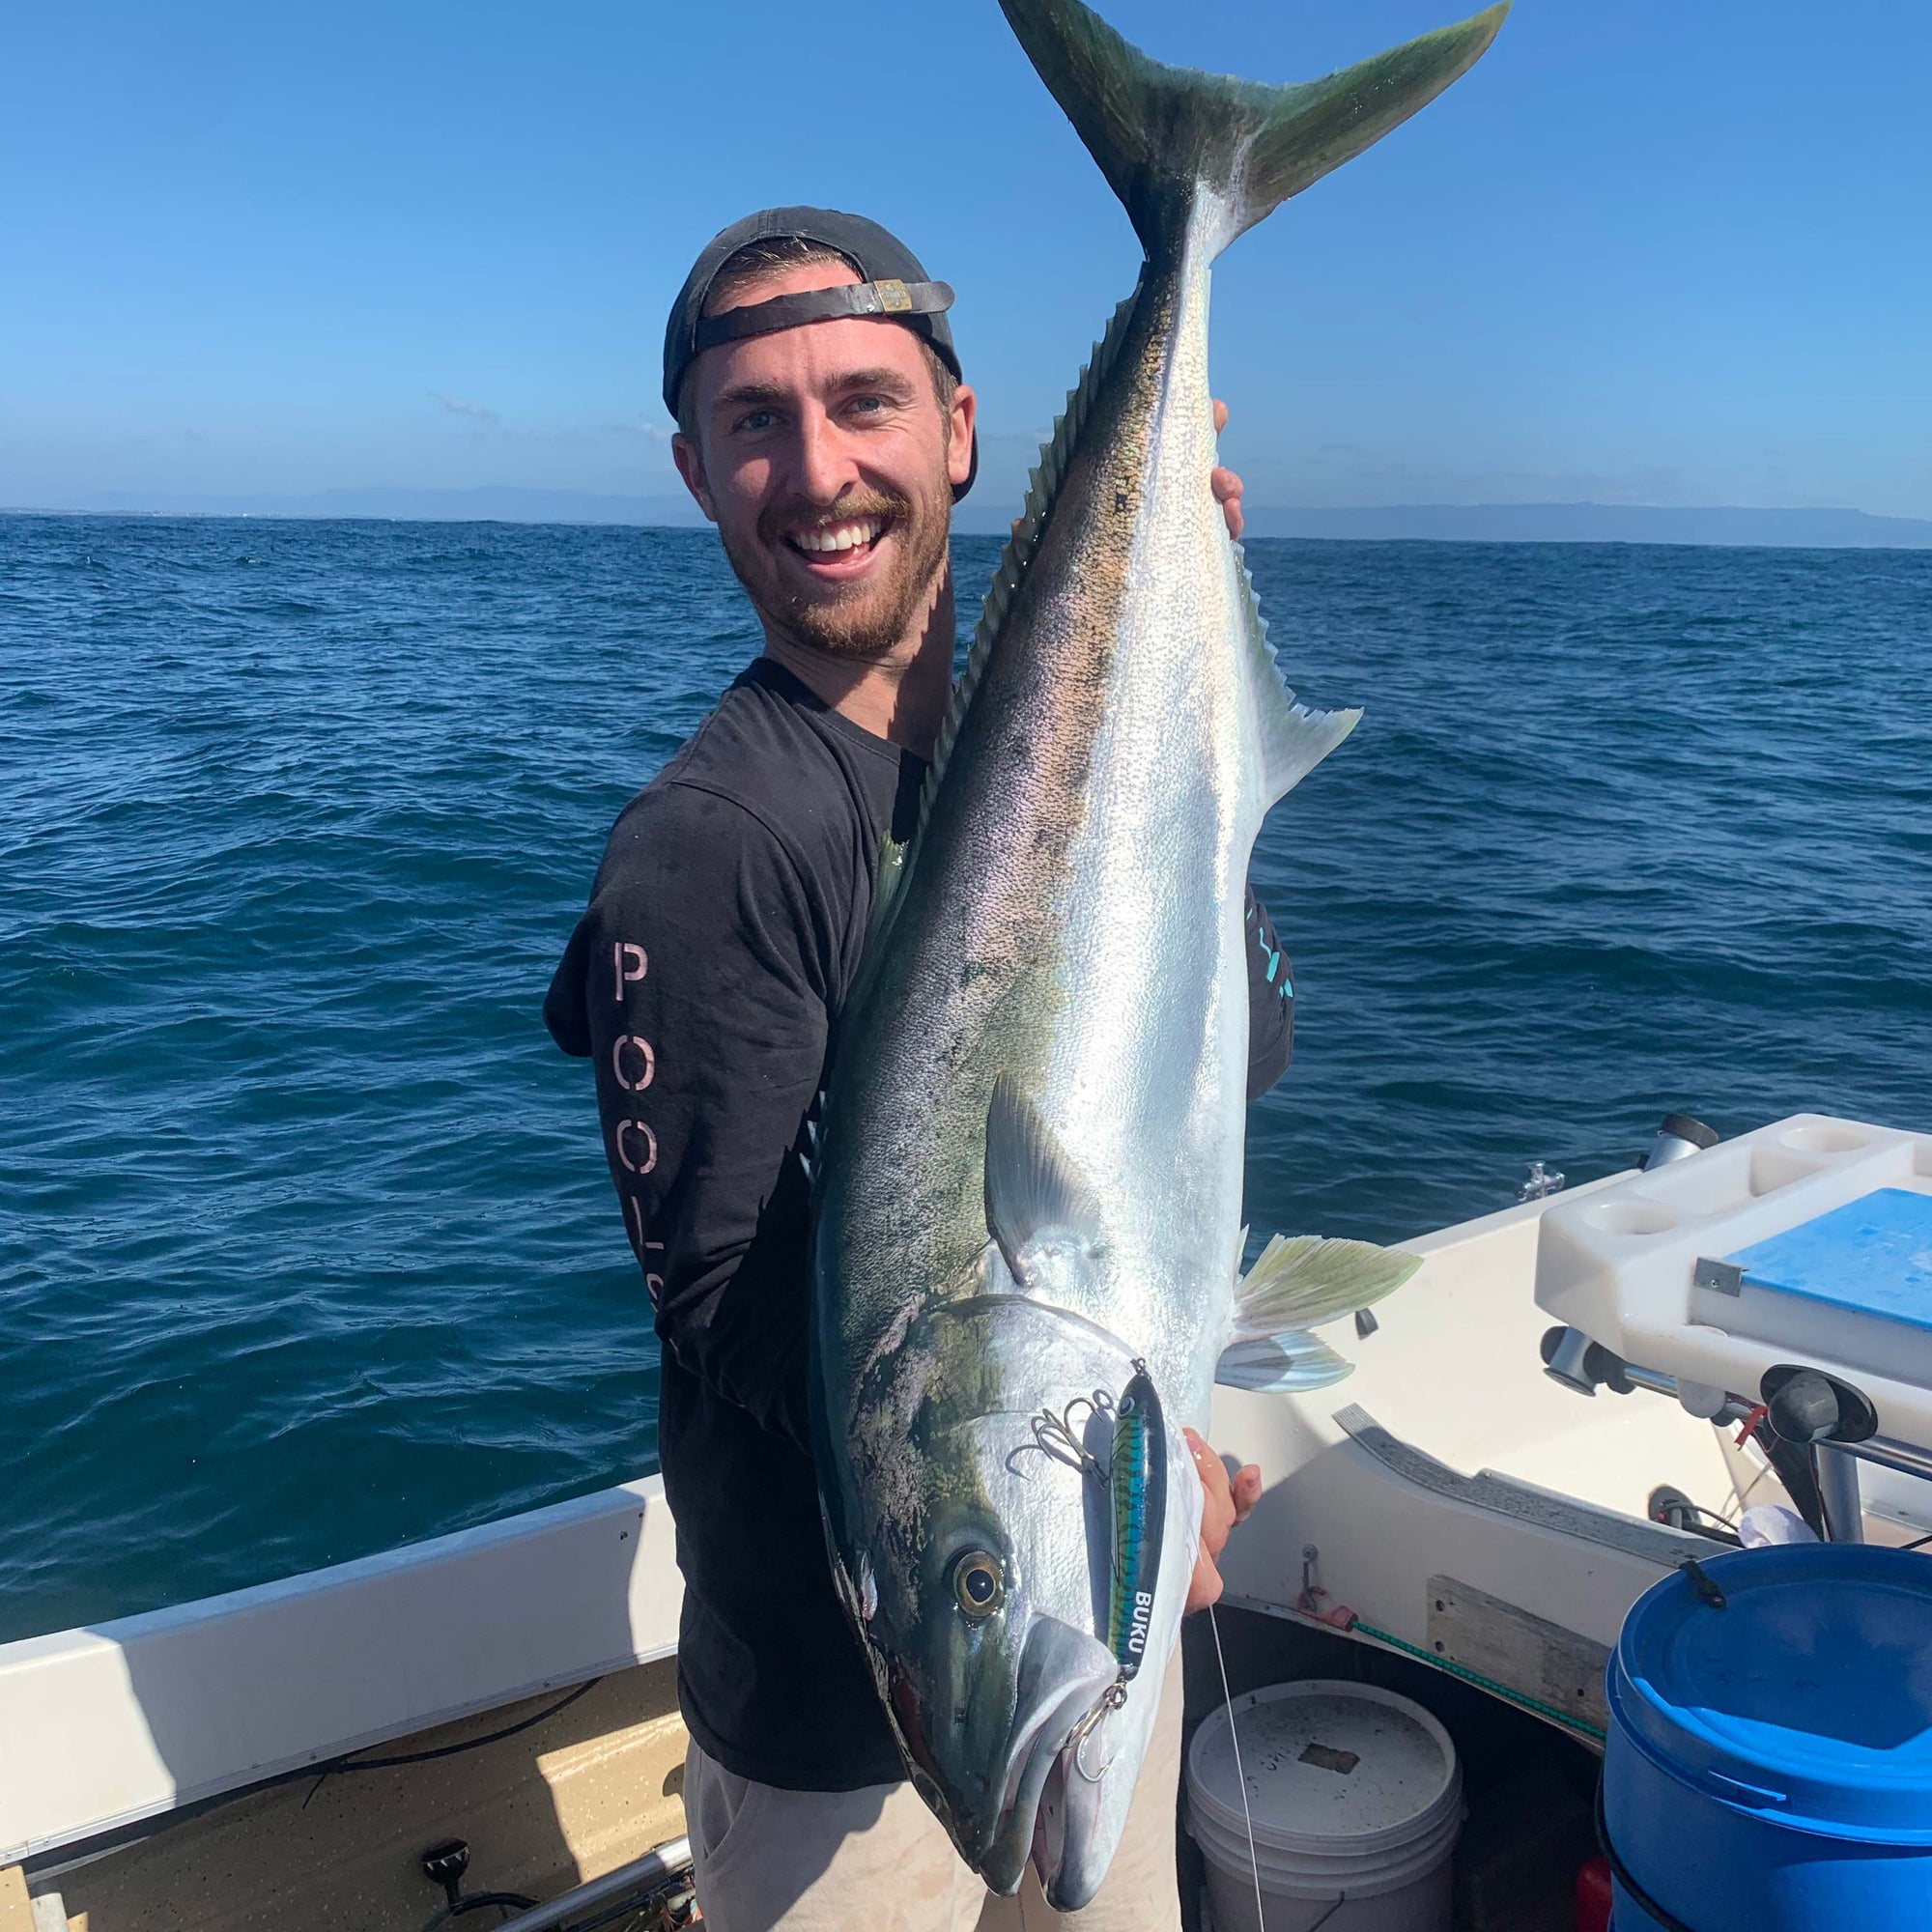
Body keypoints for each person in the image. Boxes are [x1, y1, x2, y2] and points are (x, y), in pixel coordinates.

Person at [545, 209, 1284, 1932]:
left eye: (864, 402)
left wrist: (1196, 713)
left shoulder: (1056, 741)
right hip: (853, 1729)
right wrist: (1095, 1505)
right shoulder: (711, 848)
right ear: (695, 473)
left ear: (958, 431)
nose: (818, 471)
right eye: (755, 424)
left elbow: (1242, 1057)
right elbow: (734, 1312)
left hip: (1078, 1606)